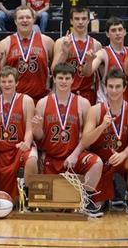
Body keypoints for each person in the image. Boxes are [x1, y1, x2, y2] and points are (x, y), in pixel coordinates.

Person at [32, 63, 103, 217]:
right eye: (60, 78)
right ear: (54, 80)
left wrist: (75, 154)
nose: (63, 81)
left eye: (67, 78)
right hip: (52, 158)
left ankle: (86, 201)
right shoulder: (43, 103)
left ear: (72, 80)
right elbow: (39, 137)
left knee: (97, 163)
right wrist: (36, 128)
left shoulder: (83, 104)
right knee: (53, 209)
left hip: (74, 157)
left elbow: (86, 136)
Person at [81, 69, 128, 217]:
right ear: (105, 87)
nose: (114, 90)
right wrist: (102, 126)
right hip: (100, 161)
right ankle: (101, 196)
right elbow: (85, 141)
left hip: (121, 158)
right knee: (97, 206)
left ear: (124, 87)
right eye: (110, 86)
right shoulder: (95, 110)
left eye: (117, 87)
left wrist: (123, 154)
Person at [0, 66, 37, 201]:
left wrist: (27, 142)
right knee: (10, 200)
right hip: (1, 152)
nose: (7, 84)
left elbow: (29, 128)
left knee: (31, 158)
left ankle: (29, 197)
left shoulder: (26, 100)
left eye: (10, 81)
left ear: (17, 83)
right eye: (3, 81)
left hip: (19, 148)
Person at [0, 5, 55, 103]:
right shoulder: (5, 43)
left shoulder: (47, 41)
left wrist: (54, 91)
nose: (25, 20)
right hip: (13, 100)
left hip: (40, 99)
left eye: (28, 17)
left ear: (33, 20)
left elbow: (56, 70)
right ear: (15, 21)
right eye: (21, 18)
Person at [51, 6, 102, 105]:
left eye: (84, 19)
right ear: (71, 21)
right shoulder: (61, 42)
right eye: (77, 19)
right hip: (66, 92)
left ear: (88, 21)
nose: (80, 22)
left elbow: (93, 75)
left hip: (87, 93)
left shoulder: (96, 44)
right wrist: (64, 53)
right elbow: (54, 70)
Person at [83, 16, 128, 103]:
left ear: (125, 32)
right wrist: (89, 61)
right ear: (107, 34)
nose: (117, 33)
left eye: (120, 29)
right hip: (106, 104)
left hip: (126, 102)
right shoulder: (102, 53)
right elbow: (87, 73)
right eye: (113, 30)